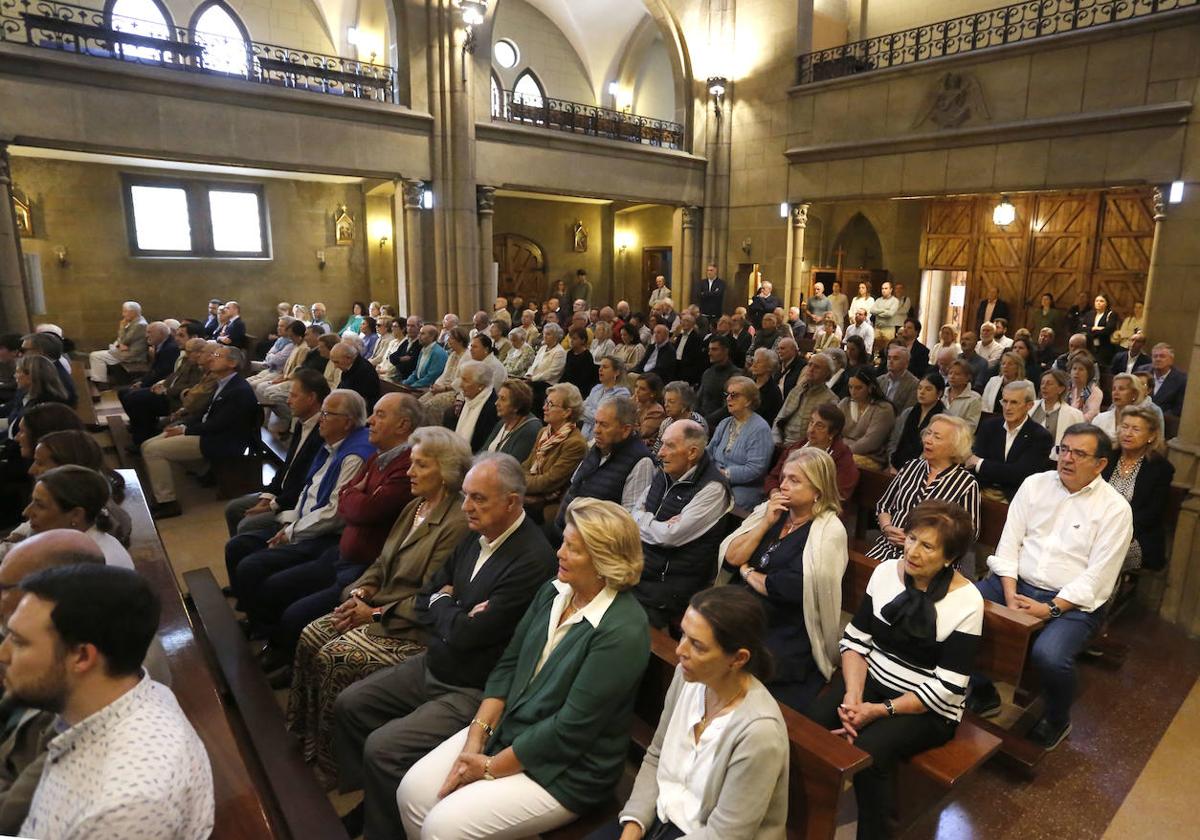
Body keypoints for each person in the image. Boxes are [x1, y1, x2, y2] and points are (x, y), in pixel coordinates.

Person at [331, 453, 556, 839]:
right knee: (350, 705)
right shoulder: (476, 531)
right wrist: (451, 606)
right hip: (436, 661)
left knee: (383, 748)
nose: (466, 506)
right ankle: (377, 800)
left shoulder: (533, 559)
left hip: (473, 686)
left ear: (512, 502)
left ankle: (384, 830)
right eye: (466, 495)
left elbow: (470, 634)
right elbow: (427, 594)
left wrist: (445, 604)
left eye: (479, 498)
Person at [397, 497, 650, 839]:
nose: (559, 553)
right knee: (412, 792)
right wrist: (476, 738)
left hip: (567, 769)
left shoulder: (624, 630)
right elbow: (509, 665)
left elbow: (571, 728)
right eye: (564, 542)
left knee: (442, 827)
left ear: (605, 562)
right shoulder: (555, 591)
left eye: (573, 549)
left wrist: (488, 766)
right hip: (510, 730)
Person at [287, 427, 473, 780]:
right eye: (412, 464)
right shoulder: (414, 506)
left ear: (446, 471)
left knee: (335, 657)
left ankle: (335, 763)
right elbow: (381, 560)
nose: (409, 472)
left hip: (413, 625)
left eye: (420, 466)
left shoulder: (457, 522)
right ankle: (308, 734)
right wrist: (363, 590)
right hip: (376, 606)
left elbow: (430, 594)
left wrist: (372, 612)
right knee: (311, 634)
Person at [809, 501, 984, 840]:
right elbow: (856, 641)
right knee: (813, 722)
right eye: (912, 538)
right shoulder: (886, 572)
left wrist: (877, 711)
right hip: (871, 684)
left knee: (871, 753)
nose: (912, 551)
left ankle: (875, 833)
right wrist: (853, 696)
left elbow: (948, 685)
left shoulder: (967, 601)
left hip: (927, 707)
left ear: (950, 558)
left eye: (927, 546)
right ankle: (808, 814)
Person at [3, 564, 214, 839]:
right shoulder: (130, 693)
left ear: (81, 657)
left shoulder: (121, 809)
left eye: (19, 642)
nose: (3, 654)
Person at [967, 424, 1132, 750]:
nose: (1067, 459)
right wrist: (1010, 589)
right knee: (959, 612)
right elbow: (1009, 544)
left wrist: (1051, 607)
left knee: (1050, 656)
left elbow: (1098, 577)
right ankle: (983, 690)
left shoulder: (1115, 509)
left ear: (1100, 464)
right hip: (1014, 582)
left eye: (1079, 454)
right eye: (1064, 450)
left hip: (1073, 602)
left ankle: (1057, 717)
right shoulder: (1035, 485)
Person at [591, 587, 788, 840]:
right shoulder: (687, 678)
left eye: (697, 645)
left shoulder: (759, 732)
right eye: (683, 634)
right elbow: (656, 756)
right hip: (659, 818)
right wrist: (633, 826)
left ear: (738, 659)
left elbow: (727, 833)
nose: (680, 651)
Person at [720, 447, 847, 710]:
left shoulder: (828, 531)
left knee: (745, 664)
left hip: (786, 624)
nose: (783, 486)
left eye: (795, 480)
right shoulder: (773, 511)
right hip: (746, 611)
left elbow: (786, 588)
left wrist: (747, 572)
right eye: (784, 477)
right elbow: (732, 556)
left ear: (818, 491)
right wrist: (766, 523)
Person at [630, 421, 731, 628]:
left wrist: (646, 520)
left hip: (666, 587)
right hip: (638, 569)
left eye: (669, 446)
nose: (660, 453)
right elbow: (633, 514)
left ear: (692, 452)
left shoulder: (713, 489)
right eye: (662, 444)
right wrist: (654, 523)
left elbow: (669, 537)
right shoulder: (666, 472)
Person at [140, 346, 257, 518]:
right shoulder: (223, 383)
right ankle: (197, 472)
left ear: (232, 363)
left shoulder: (239, 389)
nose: (211, 358)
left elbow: (219, 424)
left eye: (217, 356)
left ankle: (167, 501)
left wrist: (185, 430)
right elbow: (203, 413)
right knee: (147, 444)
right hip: (209, 433)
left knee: (153, 450)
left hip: (221, 440)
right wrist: (183, 425)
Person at [225, 370, 330, 537]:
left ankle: (251, 554)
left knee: (247, 524)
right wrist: (268, 496)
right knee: (233, 508)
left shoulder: (323, 433)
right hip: (282, 493)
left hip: (295, 502)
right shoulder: (301, 423)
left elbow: (305, 481)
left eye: (294, 396)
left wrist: (272, 504)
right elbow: (287, 466)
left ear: (311, 398)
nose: (288, 401)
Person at [868, 414, 979, 563]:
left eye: (937, 437)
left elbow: (970, 533)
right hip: (888, 548)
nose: (927, 440)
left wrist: (923, 541)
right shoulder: (911, 467)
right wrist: (887, 527)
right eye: (928, 433)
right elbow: (884, 505)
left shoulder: (966, 483)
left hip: (932, 561)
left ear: (955, 447)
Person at [553, 396, 655, 535]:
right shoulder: (597, 447)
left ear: (625, 430)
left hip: (592, 544)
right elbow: (573, 487)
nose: (596, 430)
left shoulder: (641, 462)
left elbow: (629, 521)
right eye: (596, 422)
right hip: (564, 531)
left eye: (604, 425)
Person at [1103, 406, 1174, 574]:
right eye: (1125, 427)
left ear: (1151, 436)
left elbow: (1151, 514)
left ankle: (1102, 597)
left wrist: (1115, 533)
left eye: (1135, 429)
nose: (1128, 433)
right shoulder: (1105, 457)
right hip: (1095, 527)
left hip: (1135, 535)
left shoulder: (1160, 468)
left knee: (1102, 555)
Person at [21, 465, 133, 570]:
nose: (26, 512)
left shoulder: (93, 565)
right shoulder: (75, 545)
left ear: (76, 515)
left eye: (40, 505)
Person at [965, 381, 1054, 502]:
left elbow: (1020, 475)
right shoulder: (989, 426)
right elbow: (971, 464)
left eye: (1014, 402)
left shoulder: (1040, 436)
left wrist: (981, 464)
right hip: (981, 491)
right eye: (1005, 401)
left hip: (1015, 498)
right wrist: (1003, 470)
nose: (1007, 408)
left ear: (1029, 405)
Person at [521, 383, 588, 524]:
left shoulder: (575, 444)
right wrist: (519, 481)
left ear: (567, 412)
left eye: (550, 404)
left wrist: (518, 482)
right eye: (546, 402)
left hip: (547, 506)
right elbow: (526, 466)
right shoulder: (544, 432)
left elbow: (549, 482)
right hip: (529, 495)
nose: (544, 408)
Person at [764, 403, 859, 502]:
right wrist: (775, 494)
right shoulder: (797, 447)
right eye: (811, 422)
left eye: (820, 426)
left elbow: (839, 495)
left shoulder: (842, 457)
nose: (811, 430)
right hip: (784, 501)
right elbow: (773, 477)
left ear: (832, 433)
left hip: (818, 509)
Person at [707, 377, 774, 509]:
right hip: (715, 479)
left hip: (744, 488)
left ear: (748, 400)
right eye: (727, 394)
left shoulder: (760, 429)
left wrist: (725, 474)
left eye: (734, 395)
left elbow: (755, 469)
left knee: (715, 501)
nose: (728, 399)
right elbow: (709, 452)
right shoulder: (725, 423)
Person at [773, 351, 836, 446]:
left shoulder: (830, 400)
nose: (811, 369)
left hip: (805, 449)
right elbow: (779, 418)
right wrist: (775, 441)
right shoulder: (797, 390)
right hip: (781, 443)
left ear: (827, 374)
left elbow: (823, 436)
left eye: (817, 367)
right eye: (810, 365)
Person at [887, 372, 947, 472]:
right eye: (919, 388)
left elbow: (939, 452)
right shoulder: (908, 412)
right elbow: (894, 441)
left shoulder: (944, 418)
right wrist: (891, 464)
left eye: (928, 389)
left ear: (939, 393)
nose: (922, 392)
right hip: (896, 465)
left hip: (924, 470)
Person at [840, 370, 896, 471]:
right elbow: (832, 429)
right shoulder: (844, 403)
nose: (853, 392)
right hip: (842, 450)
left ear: (870, 388)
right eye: (850, 387)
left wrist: (842, 449)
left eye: (858, 388)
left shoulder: (883, 409)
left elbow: (871, 442)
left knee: (839, 462)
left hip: (871, 457)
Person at [481, 379, 543, 463]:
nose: (496, 403)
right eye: (498, 397)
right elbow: (483, 452)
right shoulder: (503, 422)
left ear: (517, 406)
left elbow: (512, 465)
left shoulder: (531, 429)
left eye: (503, 399)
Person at [87, 301, 148, 385]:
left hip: (132, 355)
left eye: (125, 311)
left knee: (95, 356)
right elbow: (121, 340)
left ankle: (100, 382)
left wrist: (122, 326)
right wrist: (120, 345)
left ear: (133, 312)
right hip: (124, 351)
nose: (123, 314)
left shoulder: (140, 325)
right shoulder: (134, 322)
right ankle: (98, 379)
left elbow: (124, 340)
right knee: (103, 352)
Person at [1031, 369, 1085, 462]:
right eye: (1042, 383)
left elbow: (1079, 442)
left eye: (1049, 384)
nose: (1044, 387)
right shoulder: (1030, 407)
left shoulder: (1074, 414)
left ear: (1061, 389)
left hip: (1054, 462)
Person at [1094, 372, 1161, 445]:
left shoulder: (1143, 421)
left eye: (1121, 389)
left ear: (1134, 394)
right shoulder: (1100, 418)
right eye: (1114, 389)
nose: (1116, 392)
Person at [446, 361, 498, 453]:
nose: (460, 385)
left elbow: (483, 447)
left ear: (481, 386)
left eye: (465, 380)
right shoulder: (470, 397)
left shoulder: (492, 408)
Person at [581, 356, 631, 440]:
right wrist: (590, 413)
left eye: (605, 367)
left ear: (617, 372)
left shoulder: (622, 393)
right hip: (584, 436)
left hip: (602, 439)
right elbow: (579, 409)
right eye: (600, 366)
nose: (600, 369)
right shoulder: (596, 388)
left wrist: (586, 410)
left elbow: (602, 418)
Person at [695, 335, 737, 427]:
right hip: (701, 422)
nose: (709, 353)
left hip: (721, 425)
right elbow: (698, 400)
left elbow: (727, 407)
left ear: (725, 351)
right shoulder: (707, 373)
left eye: (714, 349)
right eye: (709, 349)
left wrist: (705, 421)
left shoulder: (735, 375)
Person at [1139, 342, 1187, 421]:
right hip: (1137, 417)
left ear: (1171, 360)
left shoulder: (1181, 380)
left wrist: (1156, 418)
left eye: (1162, 356)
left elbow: (1178, 409)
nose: (1158, 359)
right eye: (1155, 356)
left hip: (1164, 422)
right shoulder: (1142, 371)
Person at [330, 341, 381, 411]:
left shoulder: (363, 371)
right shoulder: (351, 366)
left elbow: (356, 400)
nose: (335, 366)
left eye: (337, 362)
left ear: (348, 358)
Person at [981, 351, 1033, 415]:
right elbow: (984, 403)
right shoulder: (993, 381)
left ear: (1018, 367)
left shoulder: (1027, 385)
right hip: (992, 419)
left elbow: (1030, 409)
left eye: (1010, 364)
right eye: (1003, 364)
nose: (1005, 366)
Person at [400, 324, 449, 390]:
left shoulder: (438, 353)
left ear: (432, 336)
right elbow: (416, 373)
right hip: (419, 385)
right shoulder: (423, 349)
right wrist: (404, 383)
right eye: (419, 333)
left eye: (422, 334)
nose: (419, 336)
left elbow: (431, 377)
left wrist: (412, 386)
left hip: (430, 387)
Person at [941, 358, 982, 432]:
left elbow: (970, 427)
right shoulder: (941, 392)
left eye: (957, 374)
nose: (952, 377)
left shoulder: (974, 399)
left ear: (967, 377)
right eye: (950, 373)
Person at [875, 344, 918, 413]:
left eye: (895, 358)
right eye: (889, 358)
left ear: (906, 363)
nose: (890, 361)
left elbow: (907, 413)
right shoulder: (879, 380)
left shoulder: (914, 384)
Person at [747, 347, 783, 427]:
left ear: (769, 367)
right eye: (754, 360)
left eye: (758, 362)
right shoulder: (749, 383)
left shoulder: (773, 392)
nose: (754, 364)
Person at [1066, 356, 1103, 422]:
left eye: (1081, 369)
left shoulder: (1095, 391)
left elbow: (1091, 415)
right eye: (1074, 369)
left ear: (1088, 373)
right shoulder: (1067, 388)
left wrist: (1071, 421)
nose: (1076, 372)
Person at [1085, 293, 1119, 365]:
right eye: (1096, 301)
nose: (1098, 303)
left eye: (1101, 301)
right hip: (1090, 345)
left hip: (1104, 345)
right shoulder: (1089, 314)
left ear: (1106, 303)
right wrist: (1093, 328)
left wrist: (1092, 331)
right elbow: (1081, 327)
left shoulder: (1111, 314)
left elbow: (1109, 329)